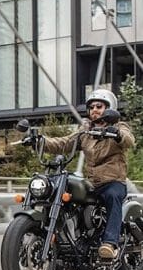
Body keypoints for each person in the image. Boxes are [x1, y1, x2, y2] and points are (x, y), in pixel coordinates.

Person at [42, 88, 134, 260]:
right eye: (91, 107)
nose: (94, 110)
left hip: (113, 181)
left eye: (99, 106)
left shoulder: (118, 127)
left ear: (109, 108)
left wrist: (118, 135)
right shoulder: (85, 133)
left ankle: (110, 243)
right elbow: (64, 143)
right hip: (92, 183)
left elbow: (129, 140)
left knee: (113, 197)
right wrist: (40, 141)